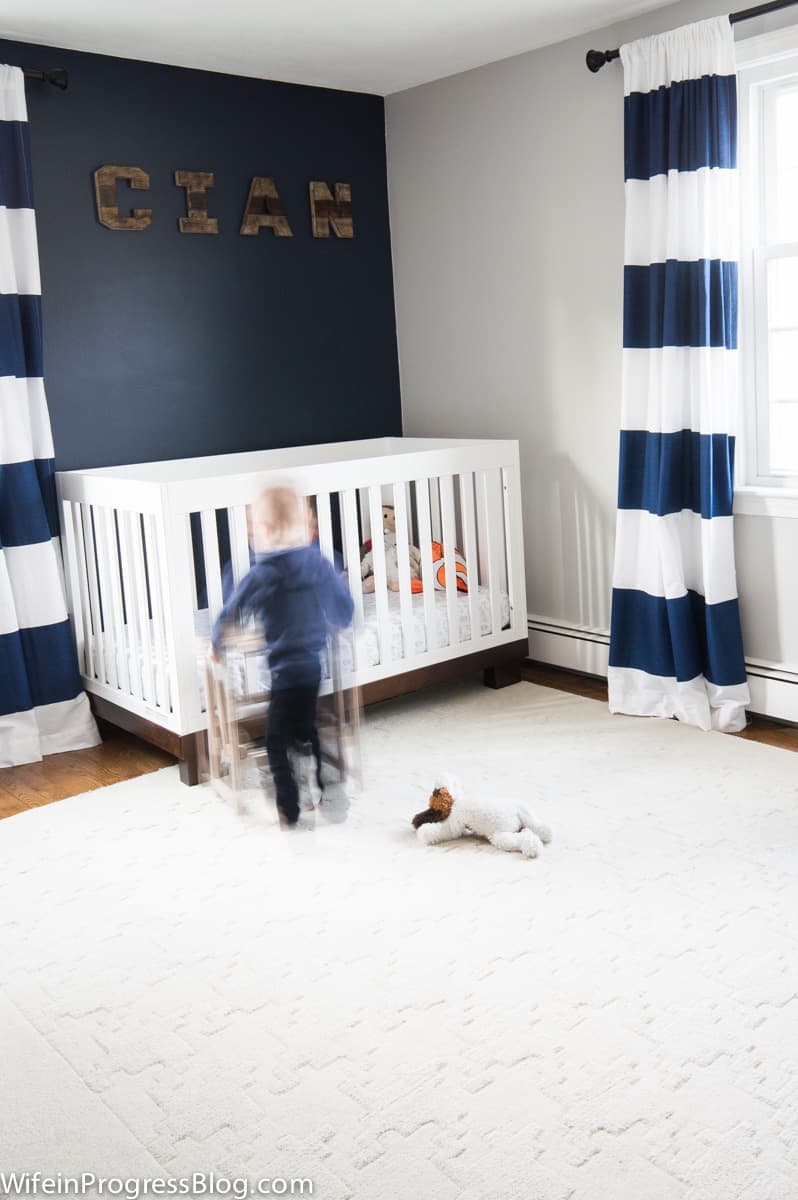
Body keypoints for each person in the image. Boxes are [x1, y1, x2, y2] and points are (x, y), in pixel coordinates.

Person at [211, 484, 354, 827]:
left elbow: (233, 610)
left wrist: (218, 643)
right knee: (306, 726)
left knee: (276, 740)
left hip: (283, 671)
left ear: (262, 530)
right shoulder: (318, 564)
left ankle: (288, 804)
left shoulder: (263, 573)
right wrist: (339, 618)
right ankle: (327, 780)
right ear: (306, 525)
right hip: (312, 669)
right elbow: (343, 607)